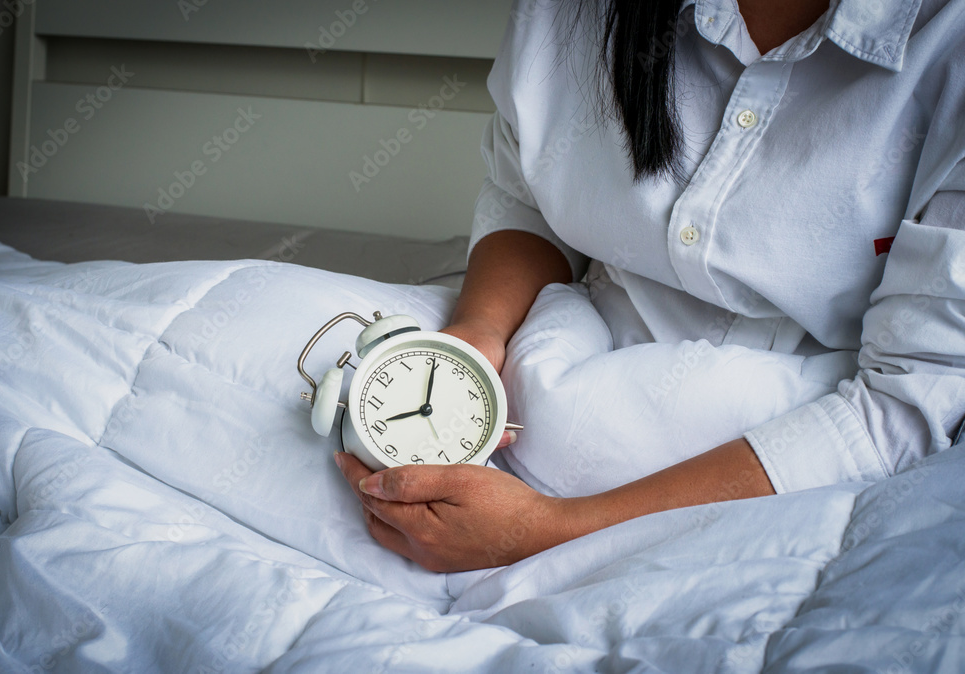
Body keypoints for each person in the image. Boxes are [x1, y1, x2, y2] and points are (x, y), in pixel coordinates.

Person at [335, 0, 965, 572]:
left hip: (805, 443)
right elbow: (528, 191)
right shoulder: (568, 15)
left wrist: (546, 535)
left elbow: (912, 406)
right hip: (550, 344)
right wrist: (474, 339)